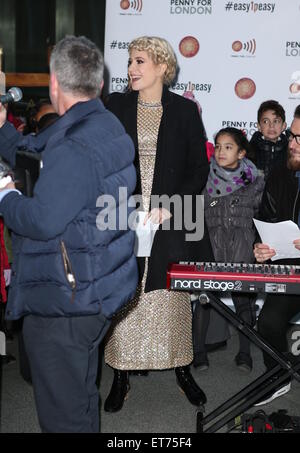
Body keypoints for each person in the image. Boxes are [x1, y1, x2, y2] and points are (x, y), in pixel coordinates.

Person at [0, 35, 138, 433]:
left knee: (63, 414)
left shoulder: (75, 146)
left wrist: (5, 197)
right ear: (96, 83)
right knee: (79, 399)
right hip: (93, 291)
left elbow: (42, 220)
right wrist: (4, 130)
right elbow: (38, 153)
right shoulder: (101, 122)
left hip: (66, 300)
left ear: (54, 83)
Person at [103, 36, 214, 412]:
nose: (131, 69)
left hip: (170, 214)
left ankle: (182, 368)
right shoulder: (115, 105)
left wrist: (171, 206)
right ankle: (120, 375)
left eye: (140, 62)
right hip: (124, 213)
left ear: (163, 67)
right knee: (124, 291)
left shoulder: (184, 110)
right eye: (130, 62)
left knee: (169, 294)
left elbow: (199, 168)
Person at [193, 128, 265, 372]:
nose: (221, 151)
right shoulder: (207, 176)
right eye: (219, 146)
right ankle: (199, 350)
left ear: (241, 152)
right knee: (206, 297)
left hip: (241, 243)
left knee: (242, 299)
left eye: (228, 147)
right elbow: (205, 204)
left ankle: (245, 353)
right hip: (212, 242)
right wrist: (217, 200)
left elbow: (259, 212)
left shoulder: (256, 180)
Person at [253, 104, 300, 405]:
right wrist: (262, 248)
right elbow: (267, 219)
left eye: (298, 138)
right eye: (292, 136)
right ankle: (280, 373)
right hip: (293, 271)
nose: (291, 143)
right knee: (267, 322)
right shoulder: (281, 174)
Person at [249, 100, 288, 179]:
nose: (271, 126)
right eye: (266, 121)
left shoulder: (289, 151)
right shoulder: (250, 151)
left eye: (276, 121)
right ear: (259, 126)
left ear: (283, 126)